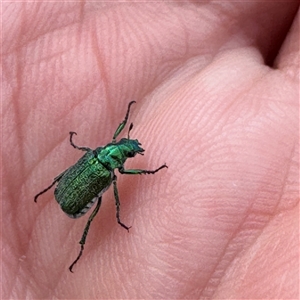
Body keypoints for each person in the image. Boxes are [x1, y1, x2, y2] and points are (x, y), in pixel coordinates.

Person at [2, 2, 299, 299]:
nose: (126, 150)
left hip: (69, 189)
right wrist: (145, 176)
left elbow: (119, 135)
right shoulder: (108, 170)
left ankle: (59, 204)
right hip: (72, 198)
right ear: (118, 154)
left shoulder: (97, 155)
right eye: (124, 151)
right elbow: (122, 164)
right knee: (94, 214)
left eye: (124, 148)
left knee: (81, 187)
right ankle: (80, 248)